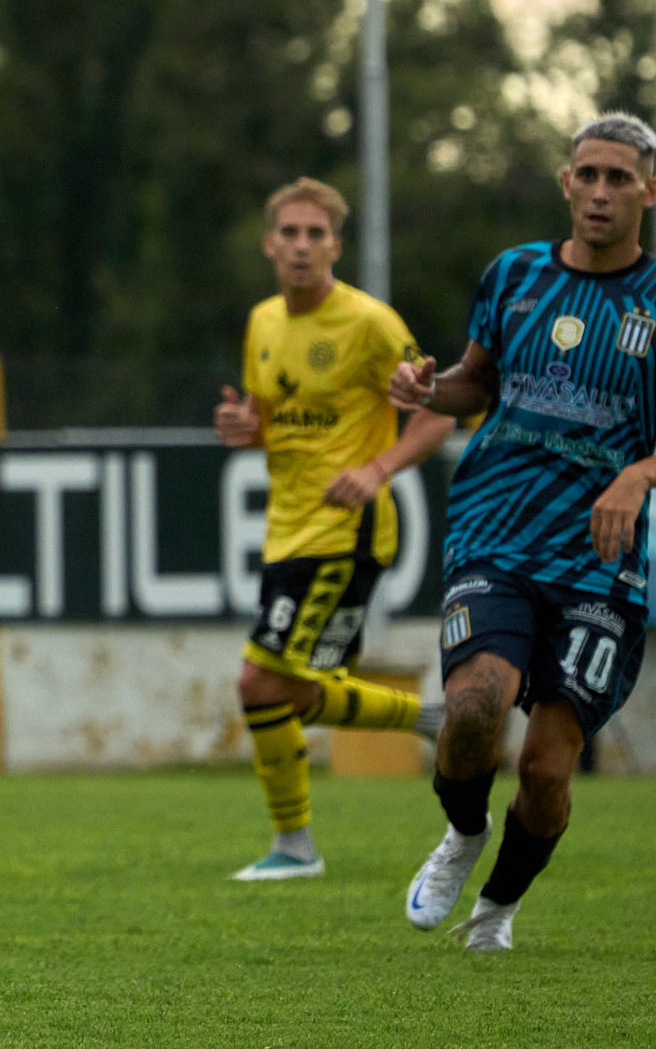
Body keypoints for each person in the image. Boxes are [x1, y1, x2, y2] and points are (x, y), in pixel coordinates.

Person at [390, 113, 656, 951]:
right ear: (565, 181)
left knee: (547, 765)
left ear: (650, 192)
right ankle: (463, 833)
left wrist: (640, 471)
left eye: (620, 178)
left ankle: (499, 905)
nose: (600, 192)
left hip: (599, 566)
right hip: (495, 534)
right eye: (588, 174)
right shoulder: (512, 274)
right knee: (476, 707)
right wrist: (424, 387)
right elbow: (475, 382)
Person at [215, 178, 452, 881]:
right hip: (286, 528)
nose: (300, 245)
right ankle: (428, 717)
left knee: (261, 682)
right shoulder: (262, 321)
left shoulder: (371, 324)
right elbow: (270, 425)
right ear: (269, 243)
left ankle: (296, 847)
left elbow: (438, 411)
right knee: (283, 686)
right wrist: (244, 430)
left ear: (335, 246)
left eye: (315, 234)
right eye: (289, 232)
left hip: (346, 529)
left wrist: (378, 468)